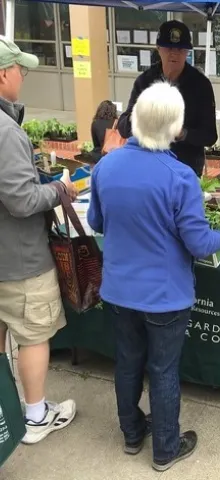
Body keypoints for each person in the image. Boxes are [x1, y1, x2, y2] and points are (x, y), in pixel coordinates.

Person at [87, 81, 220, 472]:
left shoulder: (106, 166)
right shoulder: (180, 176)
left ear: (134, 120)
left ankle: (133, 435)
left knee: (127, 363)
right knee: (163, 370)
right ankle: (166, 448)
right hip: (166, 297)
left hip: (119, 291)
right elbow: (199, 243)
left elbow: (96, 221)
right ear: (175, 126)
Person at [0, 37, 77, 444]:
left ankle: (5, 412)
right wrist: (59, 189)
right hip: (19, 259)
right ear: (3, 73)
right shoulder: (6, 131)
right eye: (20, 70)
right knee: (33, 336)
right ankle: (35, 416)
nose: (22, 77)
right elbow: (21, 199)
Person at [118, 20, 217, 177]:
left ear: (187, 52)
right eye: (169, 48)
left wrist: (183, 133)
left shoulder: (201, 85)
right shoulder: (145, 81)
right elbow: (123, 128)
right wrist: (142, 118)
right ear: (158, 49)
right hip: (148, 164)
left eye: (180, 49)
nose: (174, 53)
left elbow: (210, 136)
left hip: (185, 168)